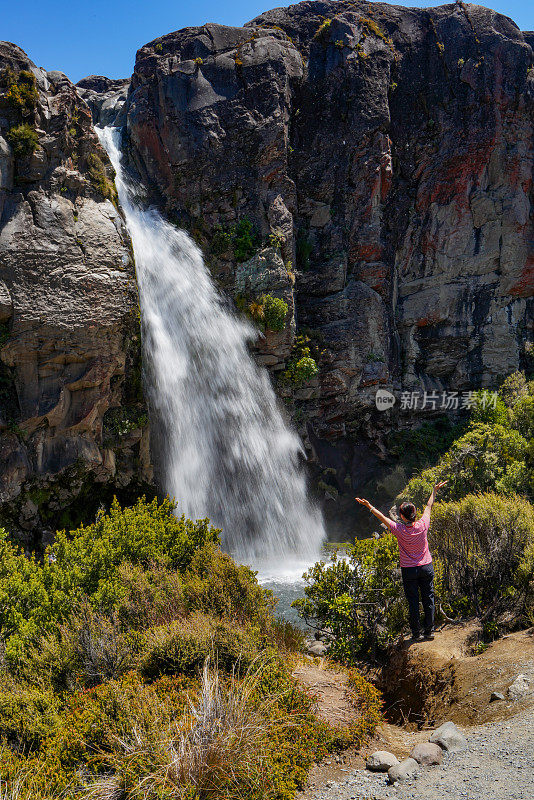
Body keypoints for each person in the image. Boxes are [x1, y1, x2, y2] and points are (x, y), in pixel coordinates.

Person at [355, 481, 448, 641]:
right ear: (414, 514)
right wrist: (434, 490)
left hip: (409, 571)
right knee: (428, 598)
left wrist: (368, 505)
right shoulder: (423, 524)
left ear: (402, 516)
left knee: (413, 602)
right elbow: (429, 505)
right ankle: (430, 631)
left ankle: (416, 634)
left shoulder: (399, 530)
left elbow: (382, 517)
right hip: (426, 567)